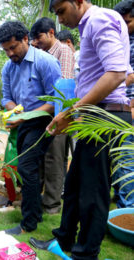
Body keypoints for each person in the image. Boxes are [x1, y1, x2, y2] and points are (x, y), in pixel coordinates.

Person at [30, 1, 132, 259]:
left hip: (103, 115)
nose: (60, 20)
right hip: (96, 112)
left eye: (62, 11)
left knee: (93, 190)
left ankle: (86, 253)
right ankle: (64, 237)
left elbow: (117, 74)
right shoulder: (93, 25)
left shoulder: (99, 20)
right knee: (74, 183)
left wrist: (74, 110)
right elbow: (126, 72)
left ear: (78, 1)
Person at [0, 21, 61, 232]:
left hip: (42, 121)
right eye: (5, 50)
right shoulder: (8, 67)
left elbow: (56, 101)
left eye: (13, 47)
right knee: (28, 170)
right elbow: (6, 98)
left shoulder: (45, 62)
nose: (10, 53)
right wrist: (15, 110)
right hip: (21, 122)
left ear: (25, 38)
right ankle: (36, 214)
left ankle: (29, 223)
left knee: (26, 167)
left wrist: (27, 115)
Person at [31, 17, 75, 214]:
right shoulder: (42, 55)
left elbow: (64, 85)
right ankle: (41, 199)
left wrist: (61, 116)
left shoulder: (63, 51)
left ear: (51, 32)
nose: (36, 41)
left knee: (55, 160)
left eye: (38, 37)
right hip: (43, 113)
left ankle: (52, 205)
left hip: (59, 114)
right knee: (41, 158)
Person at [112, 0, 134, 208]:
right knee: (118, 158)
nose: (124, 27)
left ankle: (128, 210)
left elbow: (122, 74)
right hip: (119, 106)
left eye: (127, 22)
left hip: (130, 105)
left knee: (127, 159)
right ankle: (120, 200)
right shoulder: (123, 40)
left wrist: (113, 81)